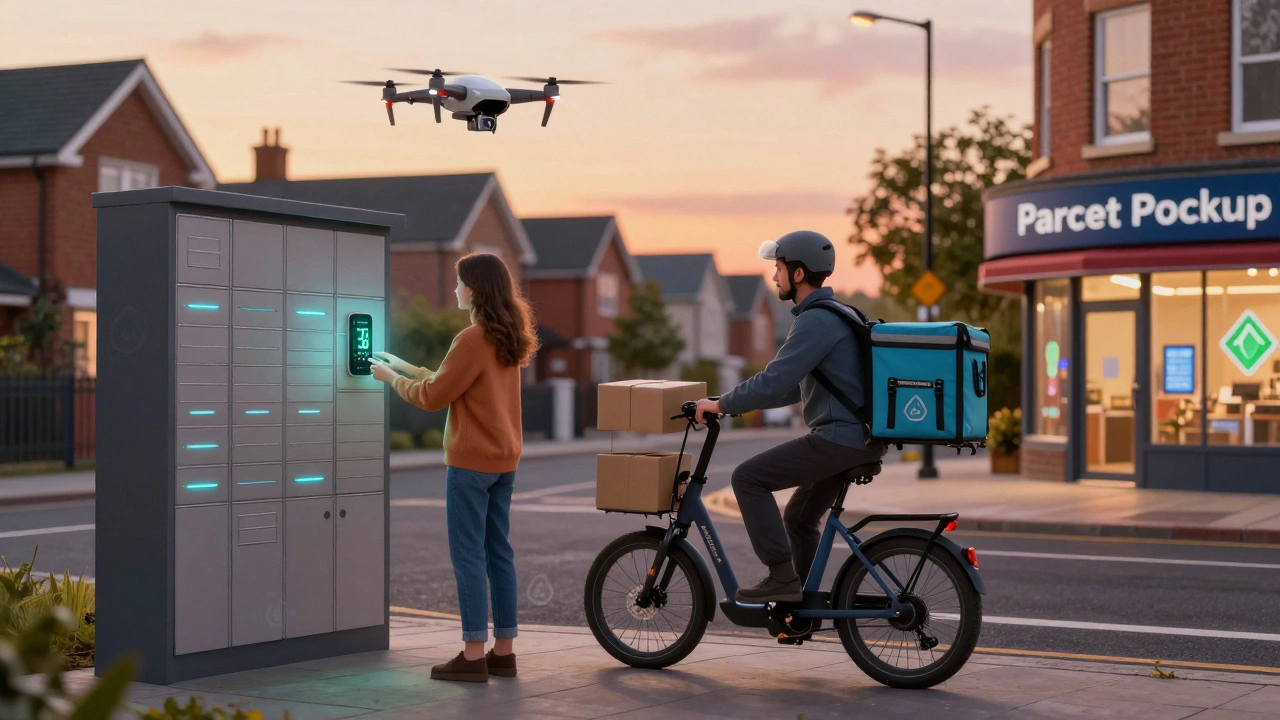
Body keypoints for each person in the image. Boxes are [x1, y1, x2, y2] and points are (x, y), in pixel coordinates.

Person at [371, 253, 539, 683]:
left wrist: (392, 381)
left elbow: (433, 397)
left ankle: (471, 655)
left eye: (459, 282)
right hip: (504, 462)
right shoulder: (508, 337)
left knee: (468, 556)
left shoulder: (471, 338)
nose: (454, 290)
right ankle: (503, 652)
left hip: (470, 465)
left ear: (475, 289)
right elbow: (453, 381)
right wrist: (405, 366)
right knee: (499, 554)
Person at [694, 230, 885, 606]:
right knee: (798, 518)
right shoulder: (838, 314)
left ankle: (782, 578)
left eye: (778, 268)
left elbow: (774, 380)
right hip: (857, 441)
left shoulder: (816, 320)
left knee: (747, 478)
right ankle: (800, 605)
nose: (774, 277)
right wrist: (726, 401)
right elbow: (789, 389)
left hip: (839, 439)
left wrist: (721, 406)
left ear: (798, 274)